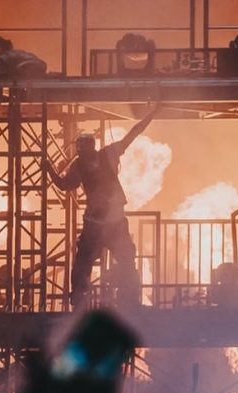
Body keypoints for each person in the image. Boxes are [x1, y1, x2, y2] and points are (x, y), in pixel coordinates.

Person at [47, 102, 159, 310]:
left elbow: (132, 135)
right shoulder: (83, 164)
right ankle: (81, 298)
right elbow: (64, 185)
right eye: (81, 149)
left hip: (109, 223)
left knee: (122, 261)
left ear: (91, 147)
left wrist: (150, 116)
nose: (82, 153)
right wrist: (50, 171)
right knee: (87, 263)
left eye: (84, 148)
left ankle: (129, 298)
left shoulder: (105, 155)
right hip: (99, 223)